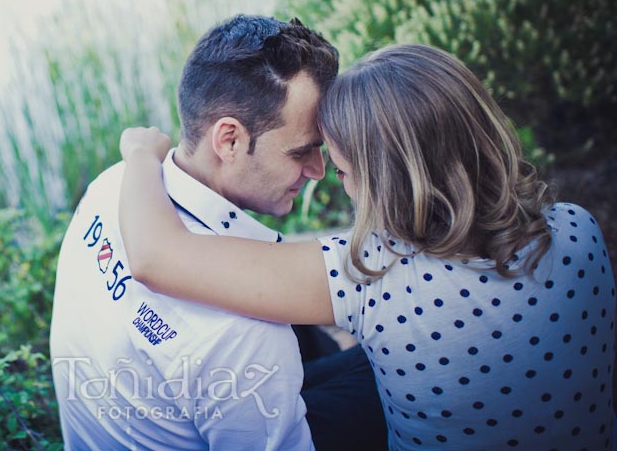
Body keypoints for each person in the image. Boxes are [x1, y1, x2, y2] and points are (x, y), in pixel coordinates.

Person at [118, 43, 615, 451]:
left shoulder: (369, 278)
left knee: (286, 395)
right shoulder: (579, 230)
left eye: (342, 171)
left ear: (386, 182)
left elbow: (153, 257)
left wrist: (139, 155)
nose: (337, 183)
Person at [50, 14, 386, 450]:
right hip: (214, 406)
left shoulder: (114, 183)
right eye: (301, 151)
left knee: (359, 361)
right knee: (384, 375)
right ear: (228, 140)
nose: (318, 171)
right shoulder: (244, 338)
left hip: (131, 415)